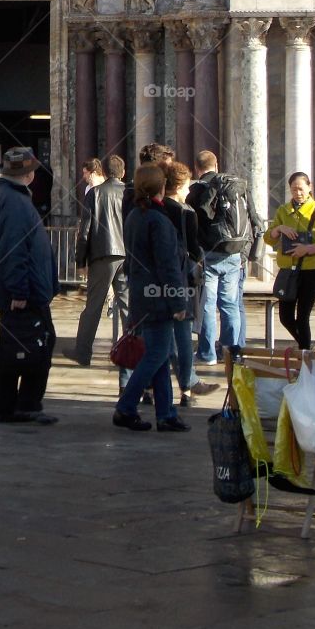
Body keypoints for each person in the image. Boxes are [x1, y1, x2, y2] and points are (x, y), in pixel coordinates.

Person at [112, 164, 189, 434]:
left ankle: (166, 413)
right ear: (162, 187)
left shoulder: (135, 215)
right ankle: (127, 406)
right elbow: (167, 265)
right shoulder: (158, 220)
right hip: (158, 296)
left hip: (141, 293)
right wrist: (178, 302)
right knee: (157, 353)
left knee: (160, 355)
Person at [0, 146, 59, 425]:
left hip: (22, 289)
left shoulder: (5, 197)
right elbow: (14, 250)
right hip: (24, 293)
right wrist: (19, 290)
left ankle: (11, 407)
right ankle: (25, 405)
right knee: (34, 347)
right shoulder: (14, 203)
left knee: (16, 349)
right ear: (28, 175)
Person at [187, 150, 262, 364]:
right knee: (230, 304)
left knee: (208, 305)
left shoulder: (198, 189)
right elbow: (253, 217)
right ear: (216, 165)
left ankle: (207, 353)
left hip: (209, 253)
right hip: (235, 252)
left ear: (196, 168)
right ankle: (231, 353)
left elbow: (193, 220)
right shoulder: (236, 186)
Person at [161, 162, 216, 409]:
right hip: (181, 278)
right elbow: (194, 249)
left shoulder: (155, 209)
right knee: (182, 333)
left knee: (162, 334)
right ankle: (187, 387)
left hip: (157, 279)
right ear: (181, 185)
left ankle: (152, 388)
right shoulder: (186, 212)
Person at [65, 154, 127, 370]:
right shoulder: (130, 193)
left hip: (102, 254)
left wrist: (80, 259)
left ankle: (83, 351)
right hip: (126, 254)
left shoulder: (96, 193)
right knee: (127, 306)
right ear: (123, 172)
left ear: (106, 172)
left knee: (93, 305)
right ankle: (133, 350)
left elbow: (85, 230)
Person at [263, 172, 315, 350]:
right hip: (288, 271)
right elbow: (268, 239)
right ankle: (307, 347)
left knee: (303, 316)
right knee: (285, 316)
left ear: (309, 188)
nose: (298, 193)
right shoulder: (283, 211)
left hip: (311, 271)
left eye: (301, 189)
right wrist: (278, 229)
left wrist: (308, 249)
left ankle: (305, 354)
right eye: (294, 189)